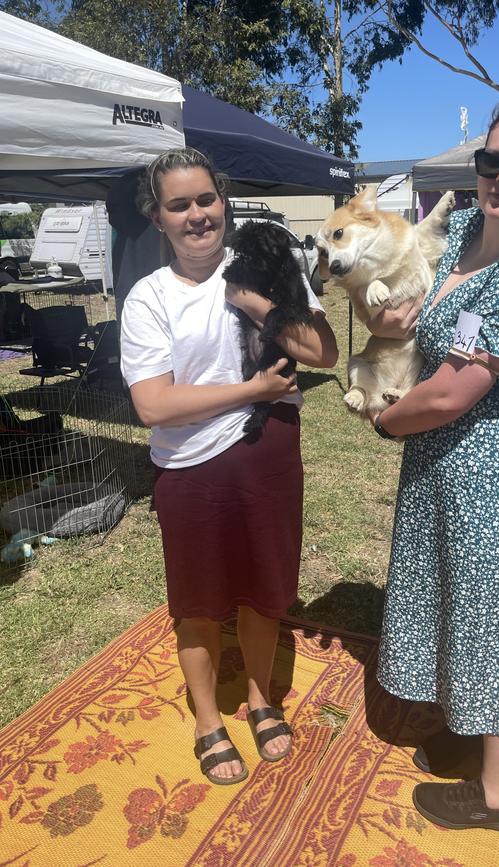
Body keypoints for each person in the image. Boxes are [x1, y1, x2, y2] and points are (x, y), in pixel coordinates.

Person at [371, 98, 499, 832]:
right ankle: (474, 730)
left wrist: (385, 421)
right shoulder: (462, 230)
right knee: (464, 595)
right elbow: (421, 314)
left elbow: (451, 391)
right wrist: (395, 320)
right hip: (457, 464)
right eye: (493, 159)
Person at [119, 147, 338, 785]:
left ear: (225, 202)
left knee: (265, 591)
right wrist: (251, 391)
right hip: (190, 467)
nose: (196, 216)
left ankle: (263, 697)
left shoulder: (265, 269)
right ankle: (209, 717)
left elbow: (321, 350)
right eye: (178, 205)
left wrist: (258, 305)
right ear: (158, 219)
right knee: (198, 602)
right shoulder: (148, 299)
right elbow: (154, 404)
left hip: (268, 456)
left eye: (206, 200)